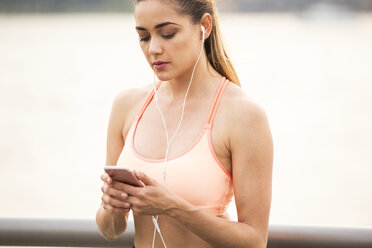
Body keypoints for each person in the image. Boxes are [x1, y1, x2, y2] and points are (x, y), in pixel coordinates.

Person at [96, 0, 273, 247]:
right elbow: (110, 229)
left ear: (205, 26)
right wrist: (112, 207)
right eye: (144, 37)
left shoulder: (243, 115)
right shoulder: (127, 105)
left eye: (167, 34)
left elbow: (254, 241)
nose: (154, 49)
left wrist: (172, 206)